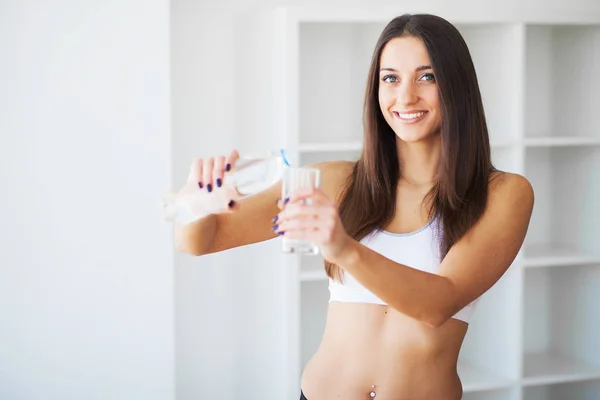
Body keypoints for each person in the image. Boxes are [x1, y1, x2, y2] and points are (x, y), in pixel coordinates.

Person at [175, 13, 534, 400]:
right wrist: (197, 201)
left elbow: (438, 304)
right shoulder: (335, 180)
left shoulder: (503, 193)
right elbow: (203, 241)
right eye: (390, 78)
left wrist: (343, 247)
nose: (406, 96)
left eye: (427, 76)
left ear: (457, 85)